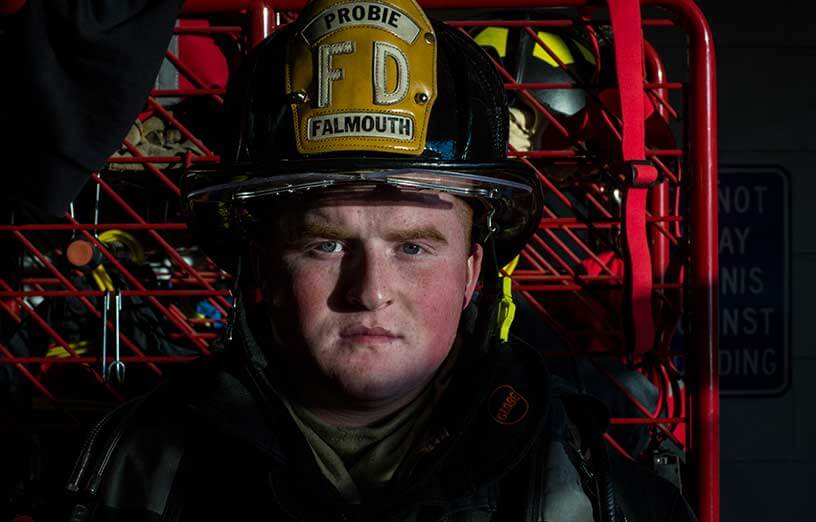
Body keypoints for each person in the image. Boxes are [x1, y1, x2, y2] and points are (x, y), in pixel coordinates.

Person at [65, 0, 696, 520]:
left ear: (473, 271)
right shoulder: (126, 475)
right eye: (326, 244)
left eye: (413, 246)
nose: (370, 291)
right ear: (260, 265)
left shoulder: (597, 495)